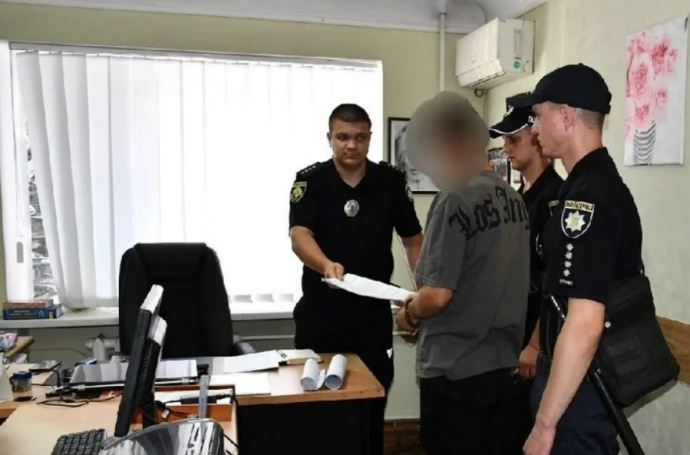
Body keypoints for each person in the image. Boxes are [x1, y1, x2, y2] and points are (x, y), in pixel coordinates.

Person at [513, 64, 643, 455]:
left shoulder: (590, 198)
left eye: (538, 116)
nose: (534, 127)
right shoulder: (584, 186)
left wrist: (544, 425)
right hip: (572, 382)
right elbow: (559, 295)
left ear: (566, 117)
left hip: (579, 391)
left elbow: (584, 323)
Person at [394, 91, 530, 455]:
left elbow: (437, 295)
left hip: (455, 371)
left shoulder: (454, 198)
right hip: (501, 366)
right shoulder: (513, 199)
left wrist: (410, 313)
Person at [288, 103, 424, 455]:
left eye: (360, 137)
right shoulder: (311, 181)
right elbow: (299, 235)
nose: (352, 145)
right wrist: (325, 264)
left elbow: (412, 239)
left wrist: (422, 292)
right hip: (321, 314)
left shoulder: (390, 182)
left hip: (370, 317)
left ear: (369, 138)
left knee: (371, 405)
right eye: (343, 137)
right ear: (329, 138)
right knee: (319, 409)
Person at [488, 98, 564, 454]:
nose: (506, 147)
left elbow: (552, 280)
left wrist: (534, 345)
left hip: (537, 337)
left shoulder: (554, 199)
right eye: (504, 140)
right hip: (509, 332)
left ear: (536, 138)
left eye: (513, 139)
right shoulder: (518, 198)